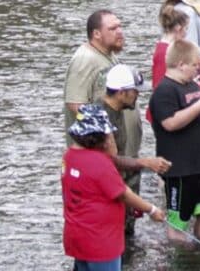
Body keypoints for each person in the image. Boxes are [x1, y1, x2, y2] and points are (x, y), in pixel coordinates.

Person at [63, 105, 167, 269]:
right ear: (98, 138)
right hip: (101, 242)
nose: (110, 138)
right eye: (108, 135)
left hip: (77, 237)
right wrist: (151, 209)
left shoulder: (69, 157)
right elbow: (123, 194)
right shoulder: (100, 164)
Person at [149, 40, 200, 239]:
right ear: (181, 64)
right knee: (179, 220)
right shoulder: (164, 90)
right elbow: (169, 123)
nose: (197, 69)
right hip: (180, 170)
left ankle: (199, 253)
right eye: (194, 65)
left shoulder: (192, 85)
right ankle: (180, 259)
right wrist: (199, 106)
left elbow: (199, 116)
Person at [100, 64, 169, 252]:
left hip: (123, 189)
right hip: (110, 194)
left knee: (126, 241)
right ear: (121, 93)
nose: (138, 95)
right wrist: (145, 163)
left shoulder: (119, 110)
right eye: (135, 92)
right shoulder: (101, 116)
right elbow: (107, 160)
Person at [65, 9, 125, 132]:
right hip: (99, 146)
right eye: (113, 29)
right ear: (96, 34)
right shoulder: (84, 60)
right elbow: (75, 105)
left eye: (120, 26)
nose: (120, 32)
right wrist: (105, 137)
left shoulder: (109, 54)